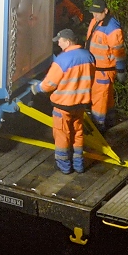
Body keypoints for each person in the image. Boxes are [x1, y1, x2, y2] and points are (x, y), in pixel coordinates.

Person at [29, 28, 95, 174]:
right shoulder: (88, 56)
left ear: (67, 41)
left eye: (59, 40)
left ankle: (64, 166)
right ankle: (78, 165)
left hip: (63, 106)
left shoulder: (62, 60)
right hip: (80, 104)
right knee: (77, 133)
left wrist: (36, 88)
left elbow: (49, 84)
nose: (58, 43)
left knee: (62, 135)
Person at [86, 0, 126, 131]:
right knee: (106, 98)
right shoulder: (96, 21)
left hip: (104, 70)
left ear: (105, 11)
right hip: (95, 68)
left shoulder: (112, 28)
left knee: (100, 98)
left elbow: (118, 50)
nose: (94, 15)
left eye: (97, 12)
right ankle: (108, 120)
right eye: (93, 12)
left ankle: (98, 126)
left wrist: (120, 70)